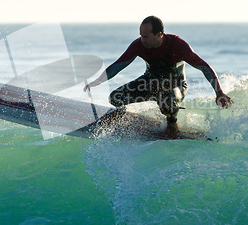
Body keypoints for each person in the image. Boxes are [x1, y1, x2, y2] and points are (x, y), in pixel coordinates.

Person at [83, 16, 233, 137]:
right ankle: (122, 117)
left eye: (146, 36)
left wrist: (219, 92)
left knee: (167, 100)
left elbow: (204, 67)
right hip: (149, 83)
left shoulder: (178, 46)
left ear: (159, 34)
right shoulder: (139, 45)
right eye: (141, 36)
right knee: (115, 98)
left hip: (176, 86)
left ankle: (172, 123)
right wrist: (99, 80)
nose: (142, 40)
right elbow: (119, 64)